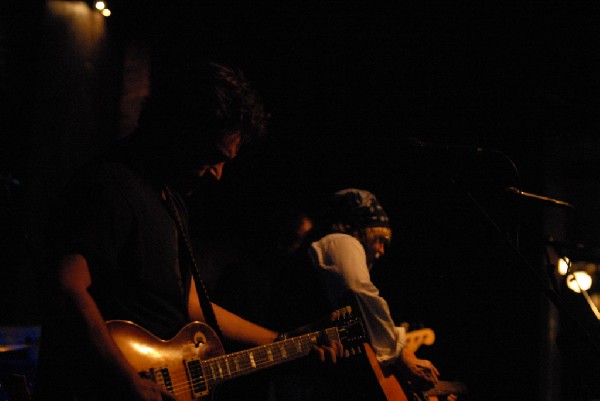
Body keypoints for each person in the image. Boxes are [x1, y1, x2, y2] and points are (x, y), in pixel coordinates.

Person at [33, 62, 341, 401]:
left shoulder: (171, 201)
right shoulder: (110, 186)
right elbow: (66, 287)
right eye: (213, 156)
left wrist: (281, 341)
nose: (218, 174)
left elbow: (188, 301)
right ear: (181, 128)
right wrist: (126, 380)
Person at [308, 188, 442, 396]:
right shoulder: (341, 241)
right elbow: (359, 290)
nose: (380, 250)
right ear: (360, 231)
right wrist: (400, 356)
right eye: (378, 239)